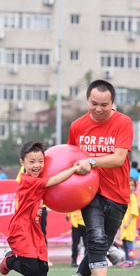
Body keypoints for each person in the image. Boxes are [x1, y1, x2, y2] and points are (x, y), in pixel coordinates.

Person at [68, 79, 133, 276]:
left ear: (112, 103)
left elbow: (119, 158)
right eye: (93, 103)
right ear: (87, 100)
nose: (98, 109)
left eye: (104, 105)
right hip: (89, 192)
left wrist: (92, 161)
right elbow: (70, 159)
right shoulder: (77, 126)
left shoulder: (123, 122)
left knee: (101, 245)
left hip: (118, 194)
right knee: (96, 239)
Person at [0, 141, 82, 276]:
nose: (37, 165)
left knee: (43, 269)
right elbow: (55, 180)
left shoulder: (38, 179)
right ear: (22, 162)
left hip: (34, 229)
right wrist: (73, 169)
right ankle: (9, 260)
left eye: (40, 161)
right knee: (31, 269)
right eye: (31, 162)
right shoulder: (28, 181)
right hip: (23, 229)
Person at [116, 178, 139, 268]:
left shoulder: (133, 197)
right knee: (125, 244)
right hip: (124, 226)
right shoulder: (125, 198)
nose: (131, 187)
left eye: (133, 185)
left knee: (129, 244)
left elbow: (133, 212)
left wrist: (127, 222)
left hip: (129, 226)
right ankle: (126, 260)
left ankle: (132, 261)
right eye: (129, 185)